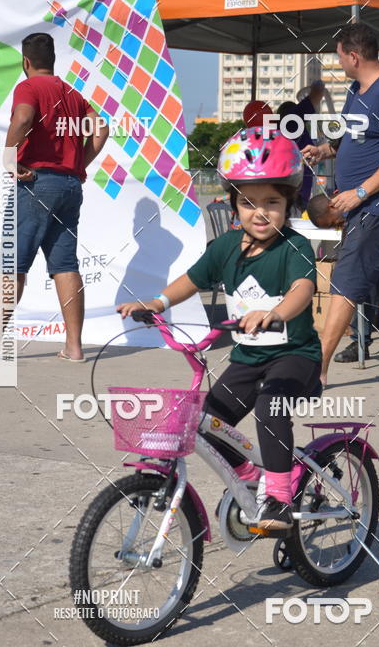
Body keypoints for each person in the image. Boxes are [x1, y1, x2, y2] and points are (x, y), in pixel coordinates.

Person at [117, 128, 322, 532]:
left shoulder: (294, 247)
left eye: (272, 203)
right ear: (233, 204)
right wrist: (156, 303)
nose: (259, 213)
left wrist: (276, 312)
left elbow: (303, 288)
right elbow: (193, 279)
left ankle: (281, 495)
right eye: (248, 202)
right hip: (247, 358)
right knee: (205, 423)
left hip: (295, 356)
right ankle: (249, 475)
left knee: (270, 408)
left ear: (289, 205)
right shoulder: (226, 247)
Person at [0, 33, 109, 362]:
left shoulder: (29, 88)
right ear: (52, 60)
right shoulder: (71, 93)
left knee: (14, 264)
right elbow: (102, 128)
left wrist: (9, 159)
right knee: (65, 264)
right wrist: (77, 164)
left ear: (25, 62)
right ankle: (74, 347)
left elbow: (23, 118)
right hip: (69, 186)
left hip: (36, 182)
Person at [303, 23, 379, 385]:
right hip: (367, 210)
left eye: (339, 55)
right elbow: (351, 134)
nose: (338, 62)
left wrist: (362, 192)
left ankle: (316, 371)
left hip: (377, 209)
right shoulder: (357, 90)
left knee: (345, 283)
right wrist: (324, 149)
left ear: (354, 55)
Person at [307, 194, 377, 361]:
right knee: (358, 288)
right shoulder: (346, 218)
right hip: (369, 247)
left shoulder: (356, 200)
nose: (335, 226)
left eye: (332, 223)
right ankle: (360, 342)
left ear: (331, 207)